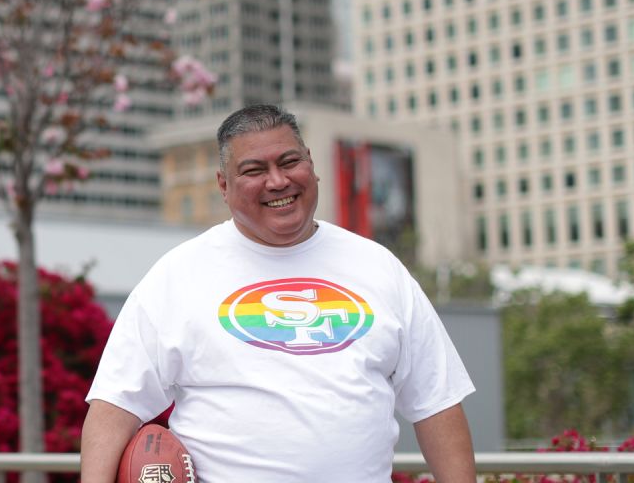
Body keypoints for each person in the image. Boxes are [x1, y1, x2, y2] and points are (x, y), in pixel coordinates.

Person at [81, 103, 476, 482]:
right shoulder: (177, 274)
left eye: (289, 162)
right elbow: (115, 405)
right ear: (224, 185)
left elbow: (436, 402)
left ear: (311, 164)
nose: (277, 181)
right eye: (254, 170)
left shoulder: (379, 266)